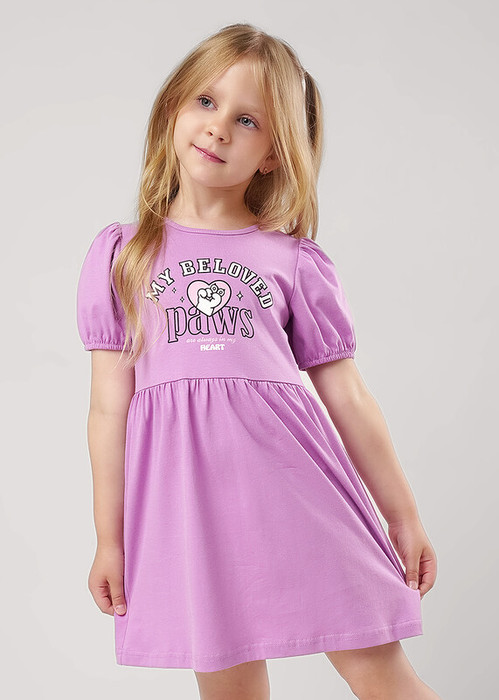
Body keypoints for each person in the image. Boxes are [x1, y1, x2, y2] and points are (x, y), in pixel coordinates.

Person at [76, 22, 442, 700]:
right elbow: (107, 408)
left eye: (246, 120)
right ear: (173, 107)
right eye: (205, 102)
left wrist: (404, 516)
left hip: (300, 493)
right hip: (190, 511)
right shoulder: (123, 256)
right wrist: (110, 538)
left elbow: (348, 397)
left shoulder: (292, 260)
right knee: (230, 689)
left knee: (377, 670)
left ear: (273, 154)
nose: (218, 128)